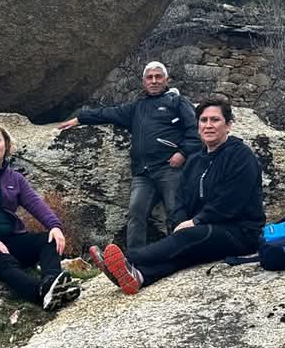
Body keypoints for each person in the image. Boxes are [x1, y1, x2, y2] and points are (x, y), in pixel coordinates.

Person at [89, 97, 264, 294]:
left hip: (240, 232)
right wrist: (180, 221)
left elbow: (231, 201)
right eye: (203, 120)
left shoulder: (240, 155)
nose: (208, 125)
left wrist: (196, 221)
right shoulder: (196, 159)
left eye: (215, 120)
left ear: (229, 125)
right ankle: (140, 276)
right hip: (207, 231)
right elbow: (181, 198)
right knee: (185, 253)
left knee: (189, 237)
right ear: (197, 125)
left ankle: (128, 260)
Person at [58, 61, 202, 253]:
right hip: (143, 173)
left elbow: (196, 130)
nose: (154, 81)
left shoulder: (177, 102)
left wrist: (183, 152)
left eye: (158, 77)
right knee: (136, 213)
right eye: (149, 77)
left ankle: (181, 253)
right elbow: (107, 113)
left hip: (170, 168)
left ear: (166, 80)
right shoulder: (137, 107)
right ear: (143, 82)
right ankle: (136, 258)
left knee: (176, 213)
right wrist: (80, 118)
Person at [0, 122, 80, 311]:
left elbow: (35, 203)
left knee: (48, 240)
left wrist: (54, 226)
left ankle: (52, 282)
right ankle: (39, 293)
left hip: (10, 238)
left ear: (6, 144)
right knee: (4, 259)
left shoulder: (15, 178)